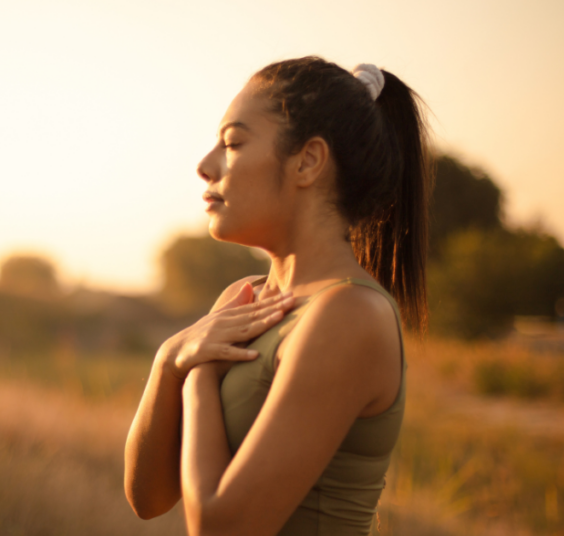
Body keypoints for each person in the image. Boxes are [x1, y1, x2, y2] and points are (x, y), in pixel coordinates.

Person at [123, 56, 430, 536]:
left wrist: (198, 374)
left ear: (307, 161)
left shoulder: (348, 313)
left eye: (233, 143)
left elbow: (220, 528)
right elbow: (148, 497)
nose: (206, 166)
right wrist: (168, 361)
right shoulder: (243, 299)